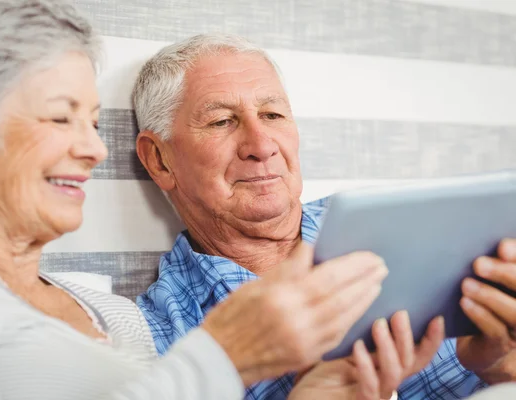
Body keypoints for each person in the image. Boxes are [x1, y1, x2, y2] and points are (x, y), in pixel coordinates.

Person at [0, 1, 441, 399]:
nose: (95, 148)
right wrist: (225, 355)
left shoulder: (106, 309)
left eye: (94, 123)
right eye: (60, 116)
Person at [133, 33, 516, 399]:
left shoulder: (409, 225)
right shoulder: (166, 341)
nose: (262, 145)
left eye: (272, 114)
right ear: (159, 159)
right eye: (221, 122)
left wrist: (500, 366)